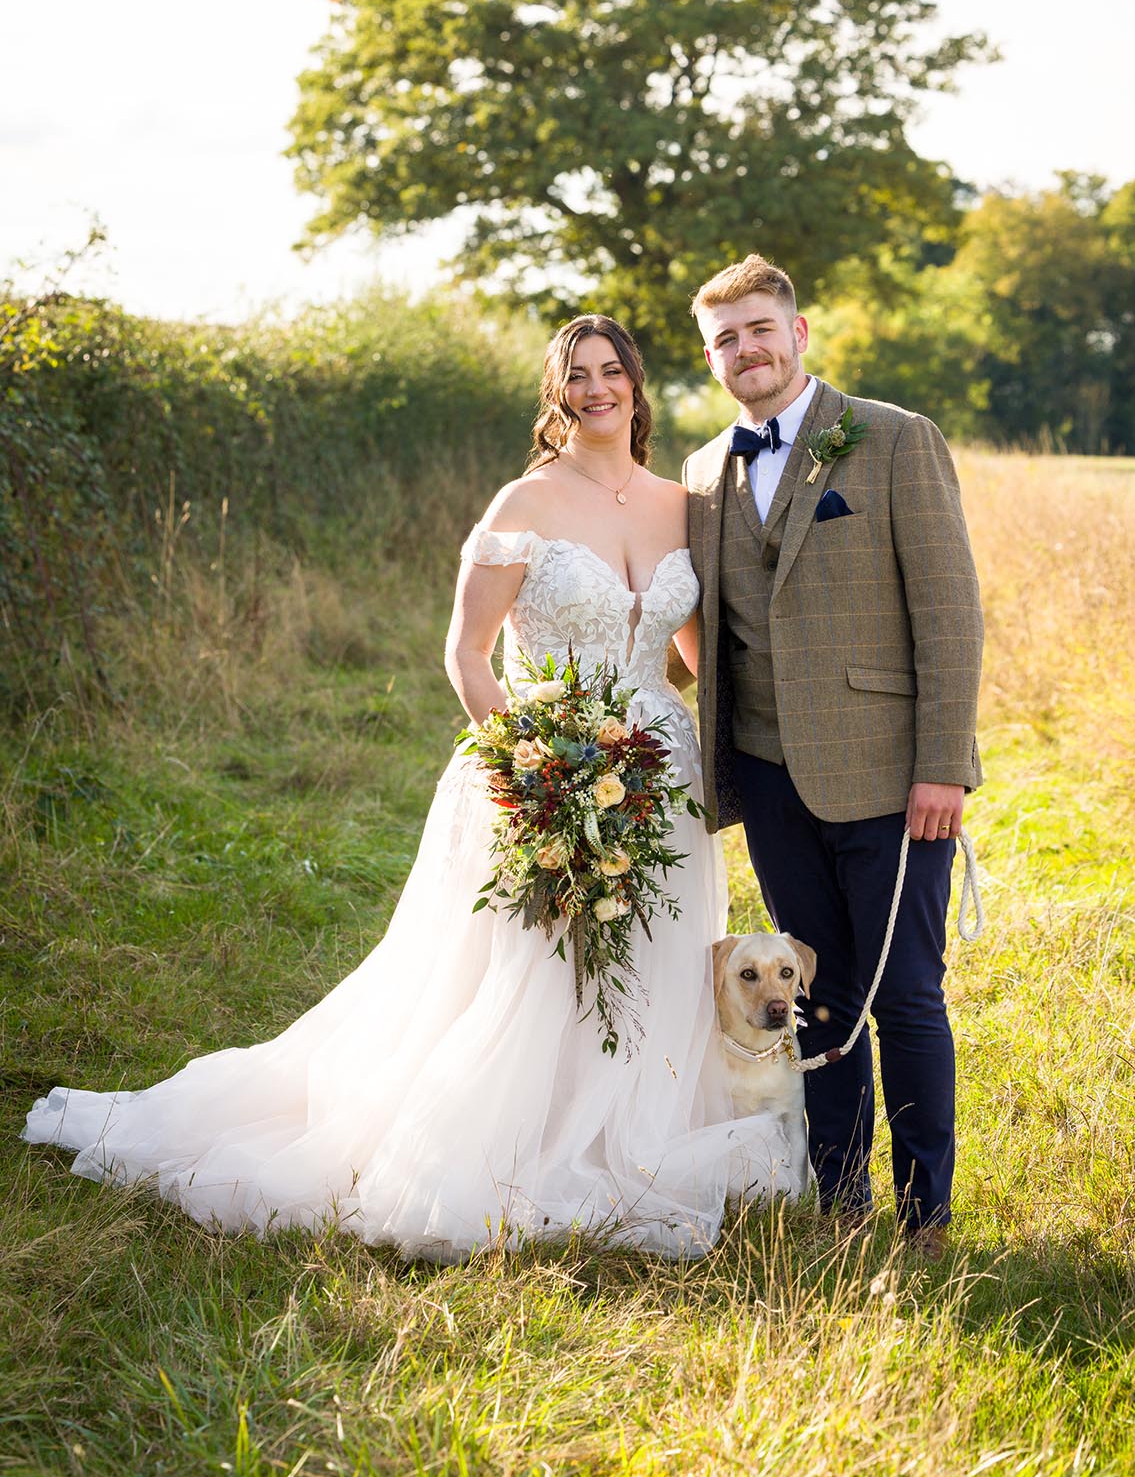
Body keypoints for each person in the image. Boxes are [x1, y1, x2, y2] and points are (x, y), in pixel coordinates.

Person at [23, 316, 788, 1260]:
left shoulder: (682, 505)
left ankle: (627, 1131)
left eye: (612, 373)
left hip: (658, 775)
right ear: (559, 395)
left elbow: (687, 654)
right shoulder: (526, 500)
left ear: (638, 385)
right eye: (578, 377)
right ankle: (512, 1142)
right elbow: (465, 652)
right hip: (542, 767)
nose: (598, 390)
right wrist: (529, 762)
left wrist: (692, 736)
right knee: (535, 971)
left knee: (651, 961)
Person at [683, 254, 983, 1255]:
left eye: (759, 329)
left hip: (890, 776)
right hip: (769, 781)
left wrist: (943, 762)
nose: (744, 351)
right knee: (812, 999)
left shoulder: (893, 439)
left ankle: (926, 1215)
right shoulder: (700, 473)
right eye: (724, 339)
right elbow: (705, 626)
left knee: (901, 996)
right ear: (711, 356)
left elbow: (947, 613)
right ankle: (840, 1202)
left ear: (796, 333)